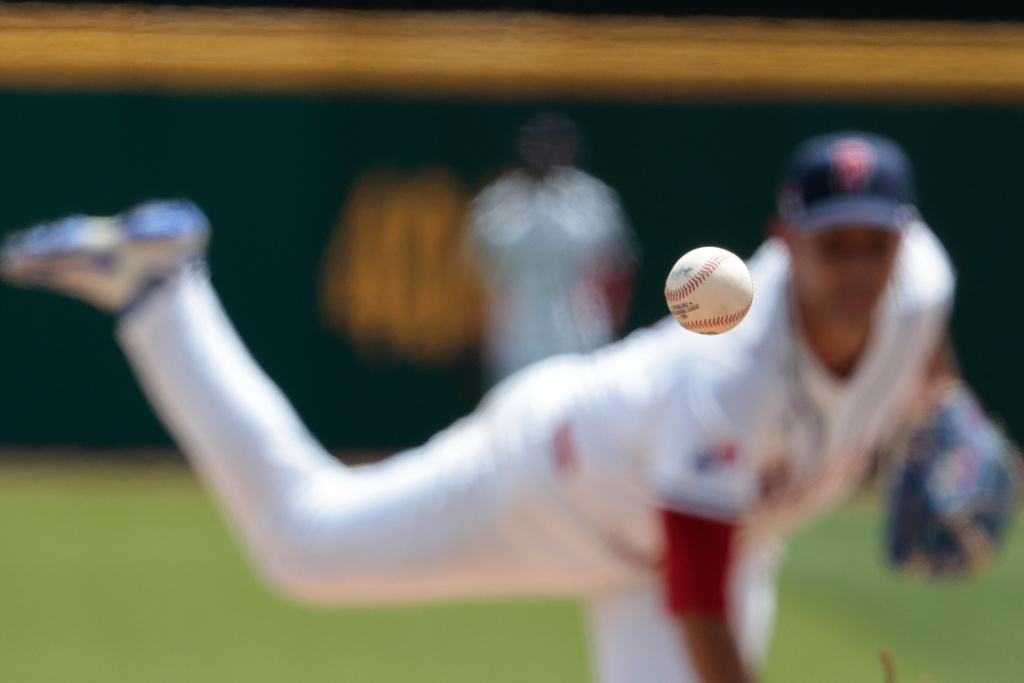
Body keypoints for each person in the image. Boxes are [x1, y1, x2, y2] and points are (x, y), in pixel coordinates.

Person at [0, 131, 957, 683]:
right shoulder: (732, 378)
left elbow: (924, 348)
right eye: (837, 246)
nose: (861, 267)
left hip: (695, 532)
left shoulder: (919, 284)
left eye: (877, 243)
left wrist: (950, 425)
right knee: (304, 542)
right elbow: (697, 592)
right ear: (786, 237)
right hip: (557, 482)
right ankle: (164, 294)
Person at [467, 112, 637, 385]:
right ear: (521, 146)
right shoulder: (496, 203)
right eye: (537, 141)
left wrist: (610, 325)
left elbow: (618, 273)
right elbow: (475, 281)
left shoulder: (593, 200)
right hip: (515, 341)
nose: (546, 150)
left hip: (581, 336)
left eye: (556, 141)